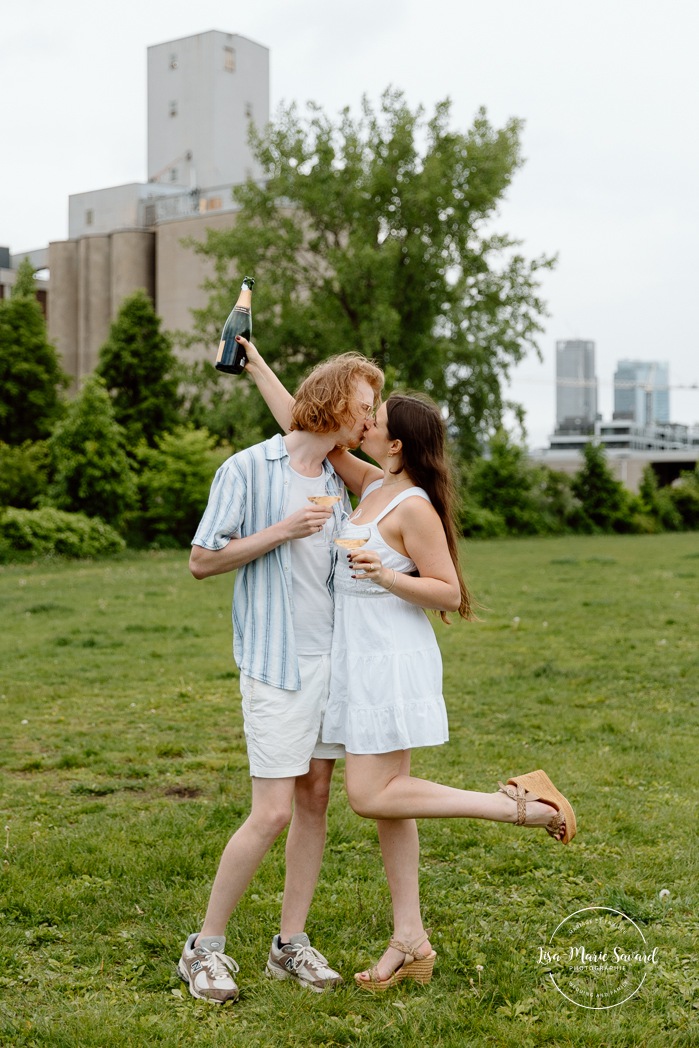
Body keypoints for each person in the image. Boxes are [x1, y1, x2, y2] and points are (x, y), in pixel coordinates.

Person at [244, 339, 577, 992]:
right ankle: (409, 939)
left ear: (395, 444)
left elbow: (447, 591)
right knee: (392, 803)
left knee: (371, 796)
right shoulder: (370, 487)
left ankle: (519, 806)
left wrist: (383, 575)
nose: (363, 425)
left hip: (389, 665)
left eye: (376, 422)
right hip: (357, 662)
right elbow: (303, 424)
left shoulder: (412, 505)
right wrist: (255, 365)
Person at [177, 350, 384, 1003]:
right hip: (276, 664)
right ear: (331, 400)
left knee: (314, 801)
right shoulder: (245, 469)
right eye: (364, 403)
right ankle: (204, 949)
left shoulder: (334, 475)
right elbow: (203, 562)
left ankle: (287, 944)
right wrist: (282, 530)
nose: (371, 416)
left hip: (333, 662)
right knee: (269, 813)